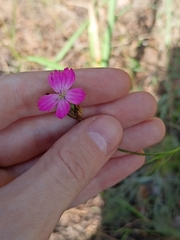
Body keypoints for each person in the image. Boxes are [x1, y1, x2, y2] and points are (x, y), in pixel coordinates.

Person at [0, 68, 165, 239]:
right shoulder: (62, 101)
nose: (61, 95)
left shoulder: (67, 97)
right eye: (59, 94)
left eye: (62, 93)